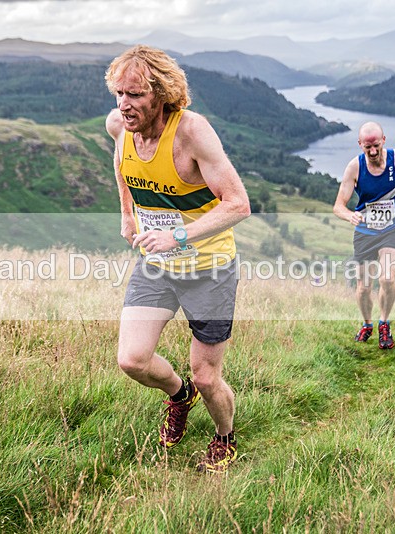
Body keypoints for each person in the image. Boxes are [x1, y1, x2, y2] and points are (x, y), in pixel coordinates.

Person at [104, 45, 250, 473]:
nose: (124, 106)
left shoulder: (191, 132)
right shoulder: (120, 126)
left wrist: (178, 235)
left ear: (162, 94)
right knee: (132, 360)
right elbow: (123, 168)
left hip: (209, 270)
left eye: (134, 95)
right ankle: (178, 395)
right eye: (119, 94)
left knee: (208, 376)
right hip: (159, 267)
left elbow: (238, 204)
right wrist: (127, 215)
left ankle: (225, 436)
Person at [333, 121, 395, 349]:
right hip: (365, 232)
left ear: (383, 140)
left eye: (376, 145)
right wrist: (350, 216)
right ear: (360, 145)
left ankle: (384, 323)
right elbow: (338, 205)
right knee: (364, 286)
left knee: (387, 278)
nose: (373, 151)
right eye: (368, 148)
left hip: (392, 228)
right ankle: (367, 324)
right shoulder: (354, 168)